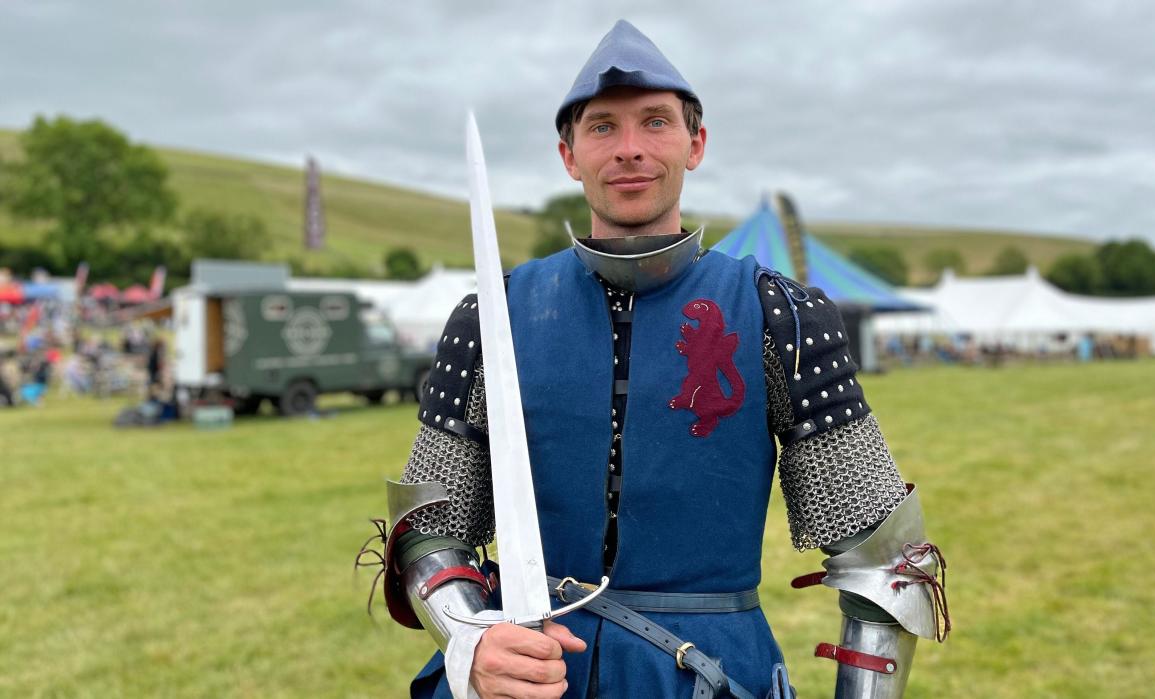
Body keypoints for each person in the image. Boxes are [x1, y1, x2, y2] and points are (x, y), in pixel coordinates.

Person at [369, 20, 949, 699]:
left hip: (707, 675)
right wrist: (471, 638)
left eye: (654, 123)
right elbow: (429, 531)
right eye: (603, 129)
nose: (630, 150)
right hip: (525, 674)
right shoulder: (493, 316)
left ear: (694, 143)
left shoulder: (779, 316)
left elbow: (884, 563)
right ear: (569, 154)